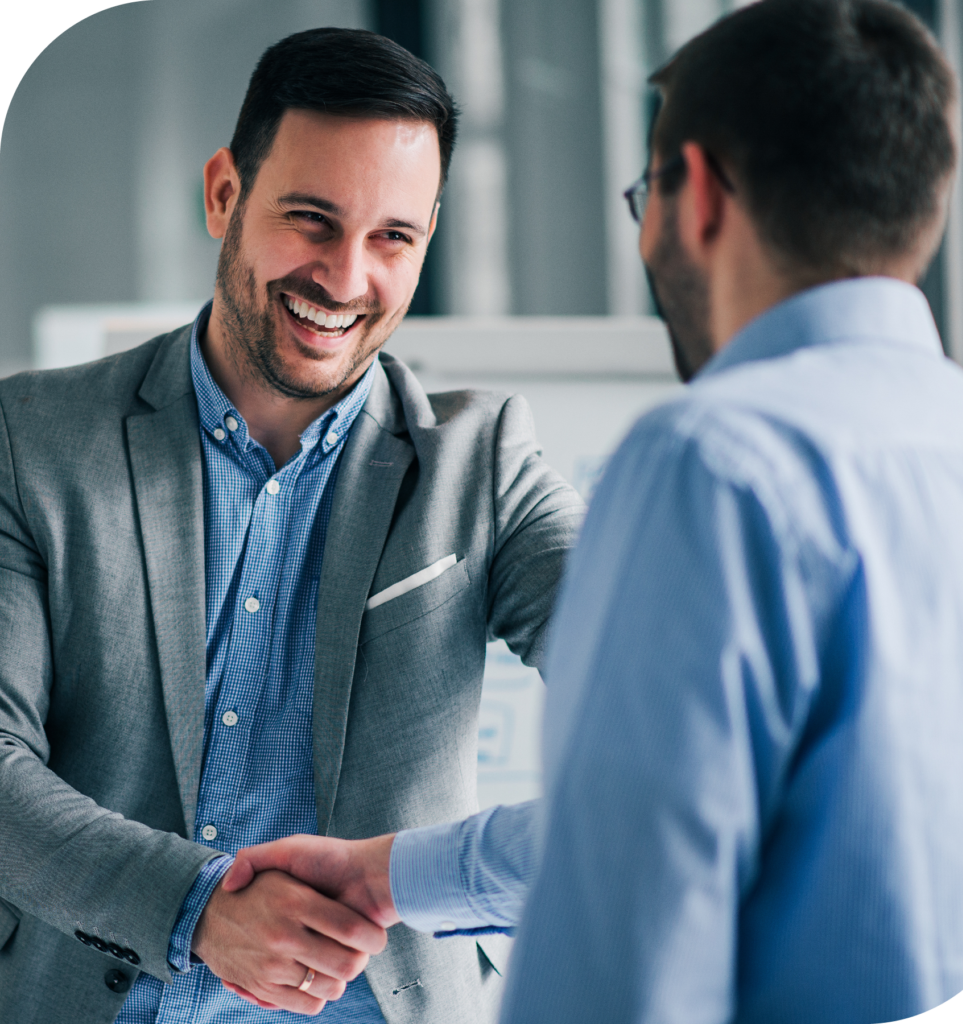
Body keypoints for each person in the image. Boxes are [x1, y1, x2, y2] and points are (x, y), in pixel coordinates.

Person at [225, 1, 963, 1020]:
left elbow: (624, 926)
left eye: (645, 192)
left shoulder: (712, 460)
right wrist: (392, 873)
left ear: (695, 197)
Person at [0, 27, 584, 1024]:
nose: (345, 278)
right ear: (225, 192)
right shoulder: (34, 438)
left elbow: (669, 714)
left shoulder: (481, 465)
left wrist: (416, 875)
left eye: (392, 238)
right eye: (311, 219)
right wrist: (194, 911)